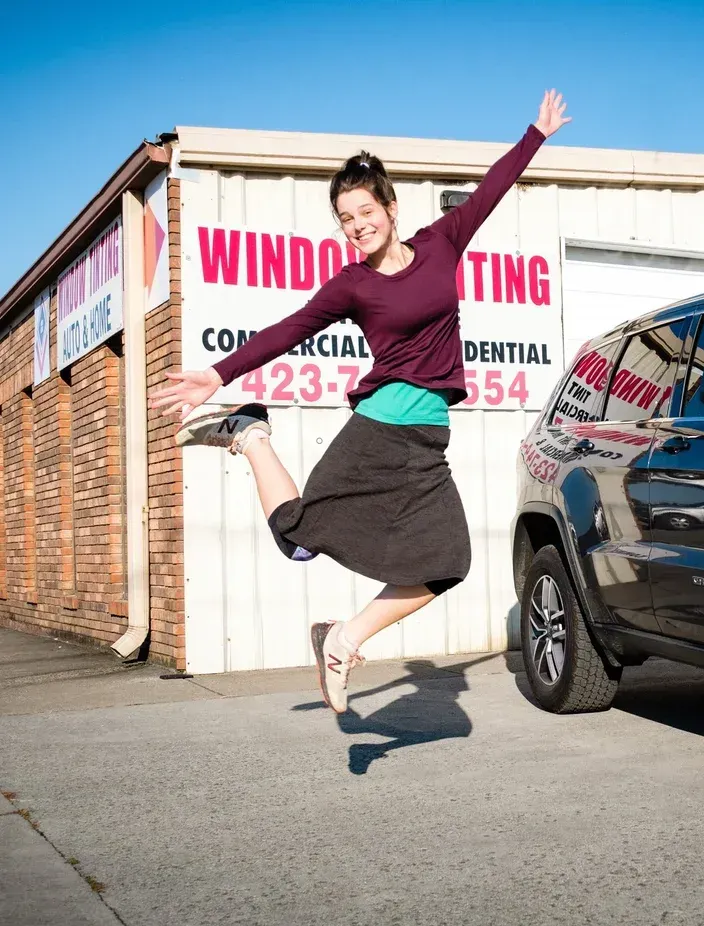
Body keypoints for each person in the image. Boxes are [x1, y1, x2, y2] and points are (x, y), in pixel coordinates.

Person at [149, 90, 571, 714]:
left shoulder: (441, 244)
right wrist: (218, 371)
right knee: (298, 540)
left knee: (447, 561)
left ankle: (341, 639)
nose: (356, 225)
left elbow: (490, 190)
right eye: (345, 217)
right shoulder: (353, 284)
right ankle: (249, 434)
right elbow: (288, 329)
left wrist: (535, 133)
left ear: (391, 208)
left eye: (365, 210)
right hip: (380, 431)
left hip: (426, 441)